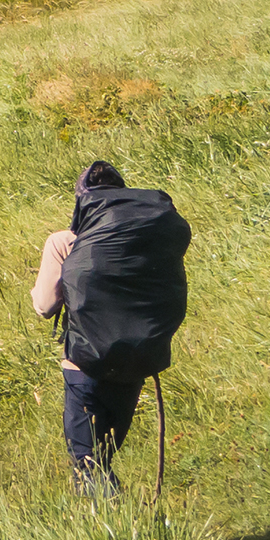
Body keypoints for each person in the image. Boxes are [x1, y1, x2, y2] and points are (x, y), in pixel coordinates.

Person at [30, 159, 188, 496]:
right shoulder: (146, 239)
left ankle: (113, 533)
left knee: (87, 463)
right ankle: (119, 531)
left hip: (83, 366)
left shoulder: (65, 242)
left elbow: (45, 306)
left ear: (82, 200)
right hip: (136, 364)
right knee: (103, 458)